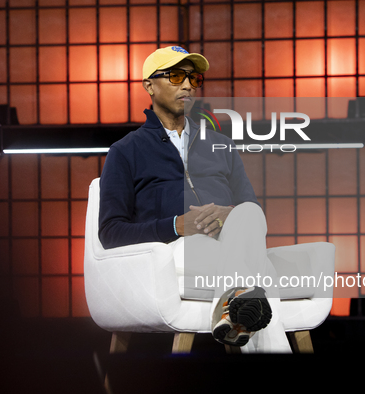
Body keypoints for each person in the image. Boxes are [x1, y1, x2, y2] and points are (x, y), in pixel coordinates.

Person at [98, 46, 291, 352]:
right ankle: (238, 308)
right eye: (176, 76)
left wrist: (228, 214)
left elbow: (251, 209)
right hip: (174, 251)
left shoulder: (221, 145)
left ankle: (229, 311)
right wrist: (177, 225)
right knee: (260, 271)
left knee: (250, 215)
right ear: (149, 85)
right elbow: (110, 233)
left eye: (194, 78)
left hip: (230, 245)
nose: (188, 85)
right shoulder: (125, 151)